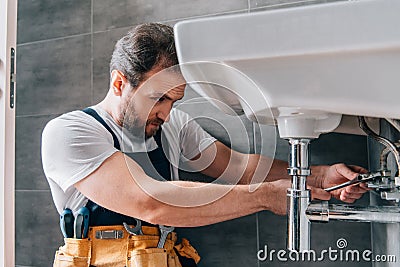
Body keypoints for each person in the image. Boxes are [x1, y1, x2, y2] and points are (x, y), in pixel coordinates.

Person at [41, 23, 369, 267]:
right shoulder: (70, 133)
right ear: (119, 83)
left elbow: (239, 167)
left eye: (175, 101)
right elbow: (148, 202)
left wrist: (320, 177)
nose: (167, 113)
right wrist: (266, 197)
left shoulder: (175, 125)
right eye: (159, 98)